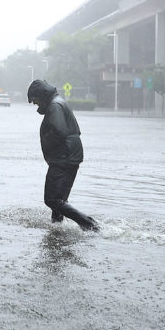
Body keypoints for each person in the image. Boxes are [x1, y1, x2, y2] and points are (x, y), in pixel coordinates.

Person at [27, 79, 100, 232]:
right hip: (70, 156)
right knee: (60, 200)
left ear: (42, 95)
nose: (34, 103)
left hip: (63, 159)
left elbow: (59, 131)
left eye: (34, 99)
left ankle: (88, 224)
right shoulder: (58, 103)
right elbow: (74, 131)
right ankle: (57, 229)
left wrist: (46, 141)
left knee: (52, 199)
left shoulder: (54, 106)